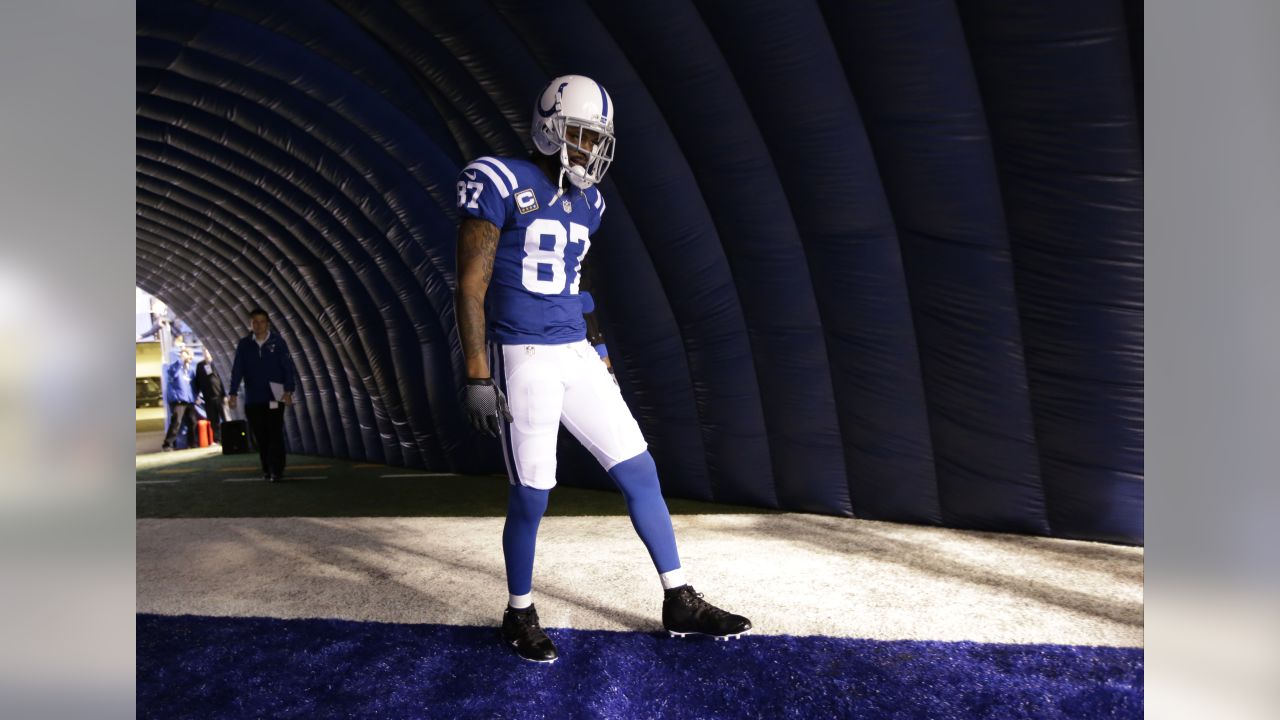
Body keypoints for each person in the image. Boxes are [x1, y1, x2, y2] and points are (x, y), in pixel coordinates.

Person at [454, 75, 751, 664]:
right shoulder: (501, 180)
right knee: (533, 494)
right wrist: (478, 374)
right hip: (524, 356)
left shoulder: (589, 202)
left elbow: (572, 281)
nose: (592, 149)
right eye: (584, 136)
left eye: (598, 139)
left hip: (575, 353)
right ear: (551, 128)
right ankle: (518, 612)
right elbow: (471, 286)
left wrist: (597, 344)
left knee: (640, 470)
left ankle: (678, 598)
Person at [227, 307, 296, 482]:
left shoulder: (278, 342)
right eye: (255, 322)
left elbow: (287, 367)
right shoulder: (244, 344)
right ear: (250, 324)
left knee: (275, 433)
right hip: (254, 397)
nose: (258, 325)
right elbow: (237, 370)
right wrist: (232, 393)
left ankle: (277, 470)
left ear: (268, 323)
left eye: (262, 321)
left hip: (276, 394)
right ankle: (267, 467)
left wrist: (288, 390)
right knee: (260, 435)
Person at [161, 348, 197, 451]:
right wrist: (181, 360)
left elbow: (193, 386)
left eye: (189, 356)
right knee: (176, 422)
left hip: (189, 401)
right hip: (178, 400)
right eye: (186, 355)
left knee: (193, 421)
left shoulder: (190, 371)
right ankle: (167, 444)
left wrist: (195, 397)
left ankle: (192, 443)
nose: (188, 358)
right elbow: (173, 373)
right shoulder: (175, 367)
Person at [194, 349, 227, 444]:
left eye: (208, 351)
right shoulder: (200, 366)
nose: (206, 353)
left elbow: (223, 380)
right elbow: (197, 382)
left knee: (225, 418)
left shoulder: (218, 363)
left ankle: (228, 436)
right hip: (208, 398)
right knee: (213, 420)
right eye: (204, 351)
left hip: (220, 396)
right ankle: (217, 439)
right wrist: (197, 396)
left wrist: (225, 395)